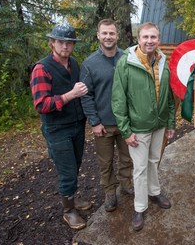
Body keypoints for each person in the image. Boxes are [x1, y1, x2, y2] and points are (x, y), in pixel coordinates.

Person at [111, 22, 176, 231]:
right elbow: (118, 99)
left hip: (159, 124)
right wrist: (126, 131)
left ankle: (154, 191)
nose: (149, 41)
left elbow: (169, 95)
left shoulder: (163, 61)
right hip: (138, 127)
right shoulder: (126, 63)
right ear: (138, 39)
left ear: (159, 39)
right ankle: (140, 207)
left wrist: (171, 122)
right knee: (139, 168)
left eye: (153, 37)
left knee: (154, 160)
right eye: (145, 37)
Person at [30, 23, 91, 230]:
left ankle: (72, 198)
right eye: (61, 41)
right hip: (57, 129)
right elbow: (41, 104)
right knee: (67, 171)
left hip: (77, 125)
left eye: (69, 42)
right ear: (52, 43)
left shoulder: (74, 64)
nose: (65, 45)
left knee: (75, 165)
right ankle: (68, 211)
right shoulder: (42, 68)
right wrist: (70, 95)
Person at [80, 19, 133, 213]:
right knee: (106, 161)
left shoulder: (127, 58)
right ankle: (110, 192)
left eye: (112, 33)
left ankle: (127, 184)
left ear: (117, 35)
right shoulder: (89, 64)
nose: (108, 37)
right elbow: (86, 95)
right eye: (105, 33)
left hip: (126, 122)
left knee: (127, 158)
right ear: (98, 36)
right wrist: (94, 121)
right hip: (103, 124)